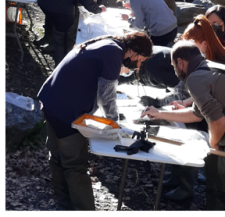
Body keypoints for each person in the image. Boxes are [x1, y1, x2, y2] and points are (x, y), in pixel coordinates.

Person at [38, 32, 153, 210]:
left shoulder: (109, 43)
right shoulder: (113, 53)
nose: (138, 66)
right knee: (75, 164)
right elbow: (106, 95)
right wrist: (114, 124)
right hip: (65, 109)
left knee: (58, 156)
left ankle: (64, 203)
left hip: (51, 99)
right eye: (141, 60)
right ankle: (84, 210)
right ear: (134, 52)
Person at [141, 40, 225, 210]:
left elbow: (217, 121)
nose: (175, 70)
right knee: (216, 183)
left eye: (174, 65)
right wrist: (159, 113)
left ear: (180, 62)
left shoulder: (194, 79)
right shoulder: (211, 67)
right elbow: (197, 114)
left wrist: (213, 143)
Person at [114, 0, 178, 47]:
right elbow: (151, 10)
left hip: (161, 34)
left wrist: (128, 19)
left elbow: (140, 25)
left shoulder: (135, 0)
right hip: (173, 27)